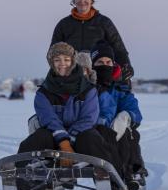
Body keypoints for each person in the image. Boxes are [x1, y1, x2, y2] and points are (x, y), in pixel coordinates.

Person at [18, 42, 120, 171]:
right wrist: (64, 143)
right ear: (51, 62)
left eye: (66, 59)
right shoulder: (43, 92)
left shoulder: (88, 89)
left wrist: (69, 142)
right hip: (55, 137)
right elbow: (49, 119)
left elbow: (88, 119)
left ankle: (113, 182)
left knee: (93, 139)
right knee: (35, 140)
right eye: (57, 60)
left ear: (73, 61)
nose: (62, 63)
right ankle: (22, 182)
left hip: (81, 137)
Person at [51, 0, 134, 81]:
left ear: (91, 0)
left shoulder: (104, 22)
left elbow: (118, 48)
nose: (82, 1)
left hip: (100, 75)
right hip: (73, 76)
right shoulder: (63, 24)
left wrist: (126, 65)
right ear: (73, 0)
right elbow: (53, 52)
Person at [91, 40, 147, 189]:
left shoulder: (120, 87)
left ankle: (133, 171)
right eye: (100, 62)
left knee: (129, 133)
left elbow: (134, 111)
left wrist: (127, 117)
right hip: (93, 131)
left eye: (108, 61)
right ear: (92, 65)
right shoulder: (87, 87)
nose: (105, 65)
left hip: (116, 131)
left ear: (113, 63)